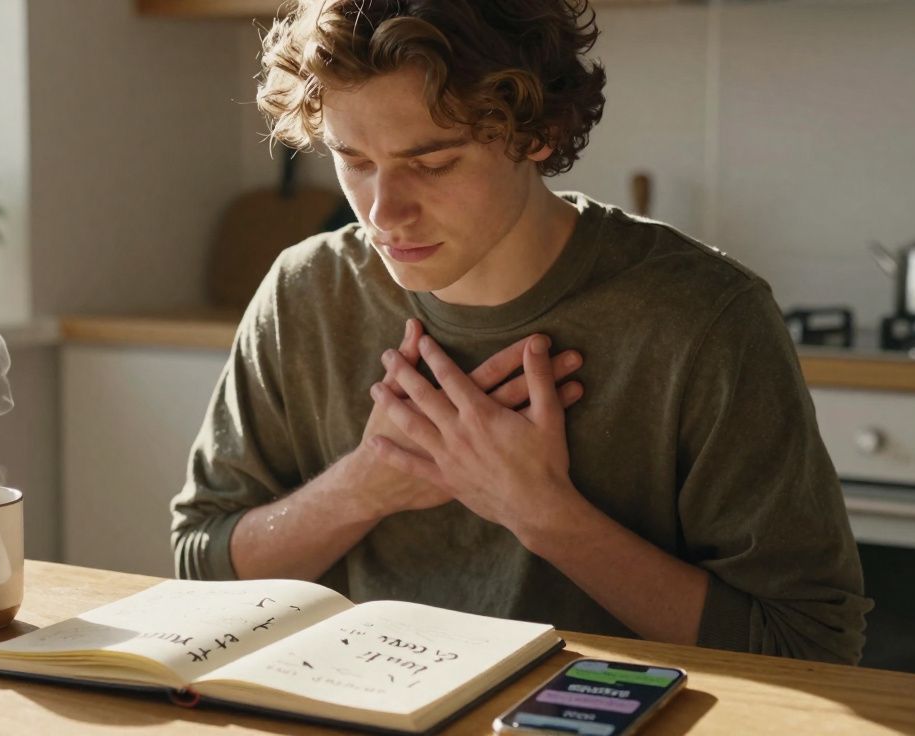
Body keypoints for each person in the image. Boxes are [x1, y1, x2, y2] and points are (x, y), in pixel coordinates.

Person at [171, 0, 871, 664]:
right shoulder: (306, 291)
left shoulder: (705, 319)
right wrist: (366, 485)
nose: (384, 211)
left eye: (433, 162)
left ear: (540, 135)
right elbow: (202, 567)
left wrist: (544, 515)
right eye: (354, 160)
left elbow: (807, 646)